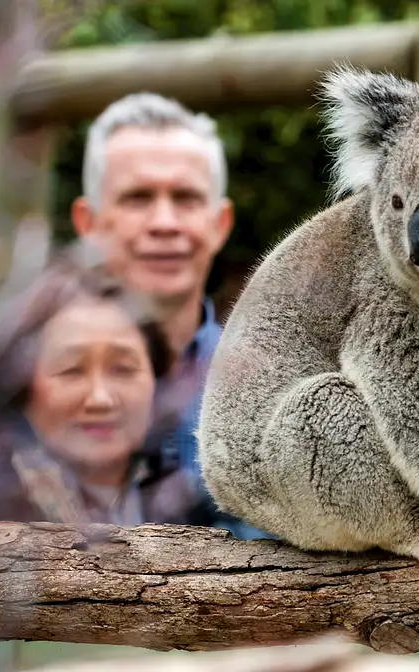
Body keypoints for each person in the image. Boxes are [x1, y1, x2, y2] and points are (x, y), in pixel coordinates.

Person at [69, 92, 265, 538]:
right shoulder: (19, 387)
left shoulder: (275, 381)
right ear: (88, 223)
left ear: (221, 222)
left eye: (186, 198)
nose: (165, 222)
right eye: (138, 197)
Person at [0, 249, 197, 525]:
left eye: (123, 369)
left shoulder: (201, 506)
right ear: (23, 386)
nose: (100, 399)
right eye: (71, 370)